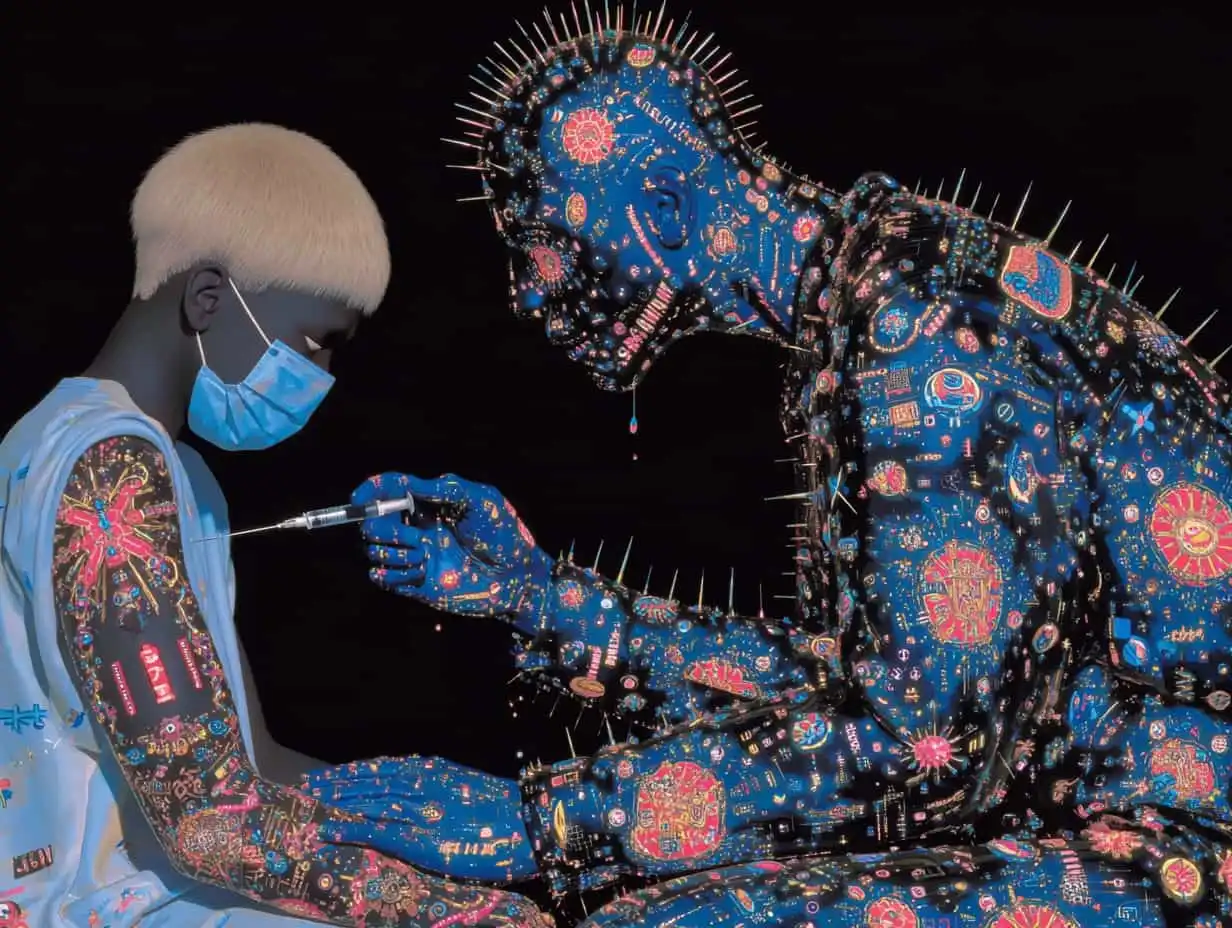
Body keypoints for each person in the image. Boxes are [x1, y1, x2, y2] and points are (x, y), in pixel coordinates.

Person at [317, 8, 1232, 927]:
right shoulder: (874, 303)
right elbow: (878, 699)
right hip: (1127, 819)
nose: (528, 293)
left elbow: (925, 750)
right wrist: (542, 600)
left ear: (663, 214)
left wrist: (542, 823)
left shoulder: (917, 333)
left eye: (541, 240)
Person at [0, 123, 551, 927]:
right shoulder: (109, 467)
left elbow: (252, 764)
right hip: (97, 907)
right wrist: (460, 910)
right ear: (209, 297)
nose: (321, 376)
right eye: (316, 342)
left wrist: (465, 821)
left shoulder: (174, 474)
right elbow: (208, 821)